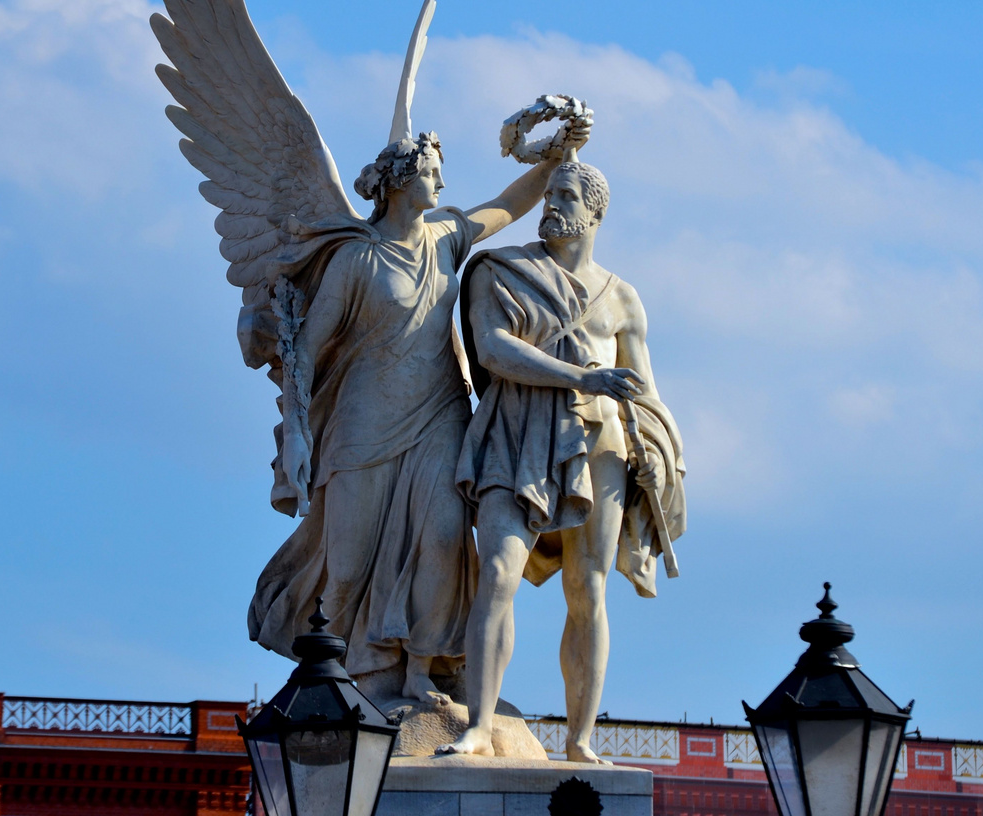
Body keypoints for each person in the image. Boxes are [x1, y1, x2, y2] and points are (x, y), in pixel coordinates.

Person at [248, 126, 589, 708]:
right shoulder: (356, 259)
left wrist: (557, 157)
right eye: (433, 171)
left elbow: (507, 206)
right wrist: (300, 434)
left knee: (445, 537)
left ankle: (420, 673)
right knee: (348, 565)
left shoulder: (447, 238)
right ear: (402, 182)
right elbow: (303, 354)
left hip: (439, 414)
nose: (443, 181)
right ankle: (347, 678)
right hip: (362, 427)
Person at [440, 160, 685, 759]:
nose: (553, 203)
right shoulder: (500, 271)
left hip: (598, 443)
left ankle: (579, 741)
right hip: (514, 429)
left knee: (588, 588)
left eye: (567, 194)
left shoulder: (622, 299)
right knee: (498, 573)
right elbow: (495, 350)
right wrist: (583, 375)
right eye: (549, 192)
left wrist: (656, 452)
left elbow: (644, 393)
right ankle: (479, 726)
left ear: (595, 212)